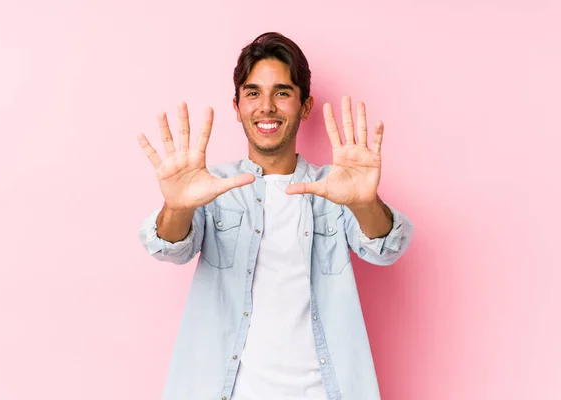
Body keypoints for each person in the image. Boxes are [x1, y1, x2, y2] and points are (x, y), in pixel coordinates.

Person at [137, 32, 413, 400]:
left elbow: (386, 249)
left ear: (305, 106)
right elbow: (169, 249)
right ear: (236, 107)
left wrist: (364, 202)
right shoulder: (212, 186)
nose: (266, 106)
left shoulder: (333, 188)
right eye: (253, 93)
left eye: (282, 92)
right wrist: (178, 205)